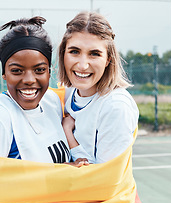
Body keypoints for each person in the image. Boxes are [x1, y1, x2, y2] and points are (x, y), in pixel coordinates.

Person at [0, 16, 70, 164]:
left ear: (49, 72)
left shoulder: (51, 101)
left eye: (39, 70)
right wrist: (65, 172)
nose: (29, 80)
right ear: (4, 74)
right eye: (17, 71)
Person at [59, 11, 139, 164]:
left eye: (94, 54)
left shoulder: (116, 106)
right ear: (63, 54)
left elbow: (104, 177)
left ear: (108, 59)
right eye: (74, 51)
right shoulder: (69, 92)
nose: (82, 65)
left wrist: (67, 133)